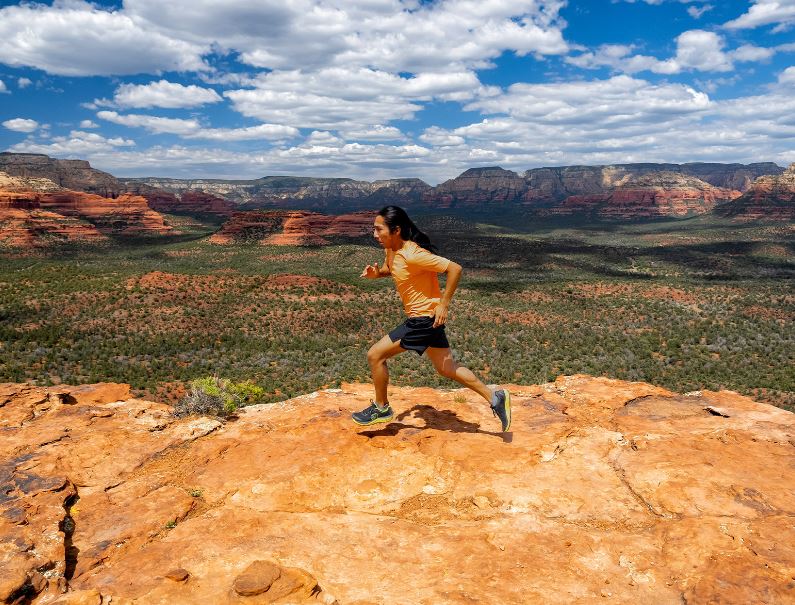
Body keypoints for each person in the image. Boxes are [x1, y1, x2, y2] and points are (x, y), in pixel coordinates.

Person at [352, 205, 511, 432]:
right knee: (447, 368)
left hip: (423, 320)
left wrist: (443, 305)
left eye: (379, 230)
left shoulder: (414, 253)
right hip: (428, 320)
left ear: (396, 230)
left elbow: (455, 268)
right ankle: (495, 397)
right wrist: (377, 274)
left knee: (375, 355)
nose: (374, 235)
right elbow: (391, 268)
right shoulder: (392, 249)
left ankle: (381, 407)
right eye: (374, 230)